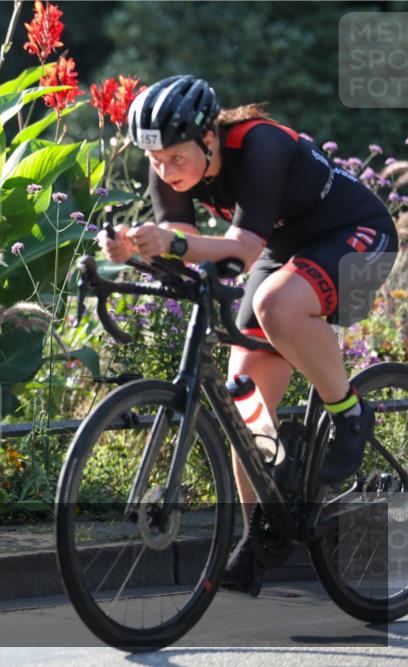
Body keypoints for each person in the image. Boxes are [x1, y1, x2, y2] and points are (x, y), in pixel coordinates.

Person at [99, 75, 398, 592]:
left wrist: (170, 244)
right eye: (155, 161)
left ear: (208, 138)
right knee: (245, 404)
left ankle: (350, 413)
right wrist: (133, 251)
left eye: (175, 158)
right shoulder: (168, 163)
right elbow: (187, 250)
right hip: (284, 252)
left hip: (356, 233)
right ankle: (261, 531)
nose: (165, 171)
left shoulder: (260, 144)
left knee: (276, 304)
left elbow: (239, 251)